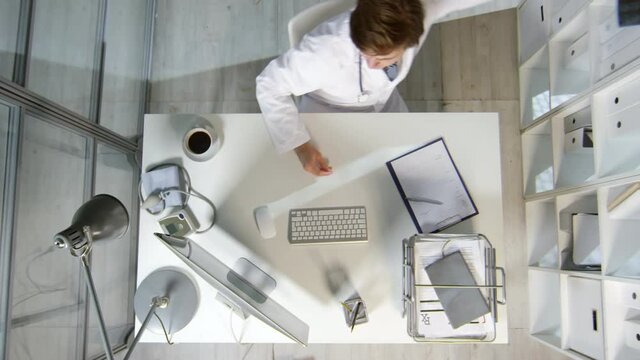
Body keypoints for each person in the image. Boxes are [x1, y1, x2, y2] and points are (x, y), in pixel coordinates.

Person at [256, 0, 488, 176]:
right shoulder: (322, 51)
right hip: (327, 109)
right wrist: (301, 147)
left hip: (386, 104)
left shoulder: (419, 10)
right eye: (364, 52)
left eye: (381, 58)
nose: (371, 64)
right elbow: (269, 85)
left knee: (413, 170)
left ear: (410, 40)